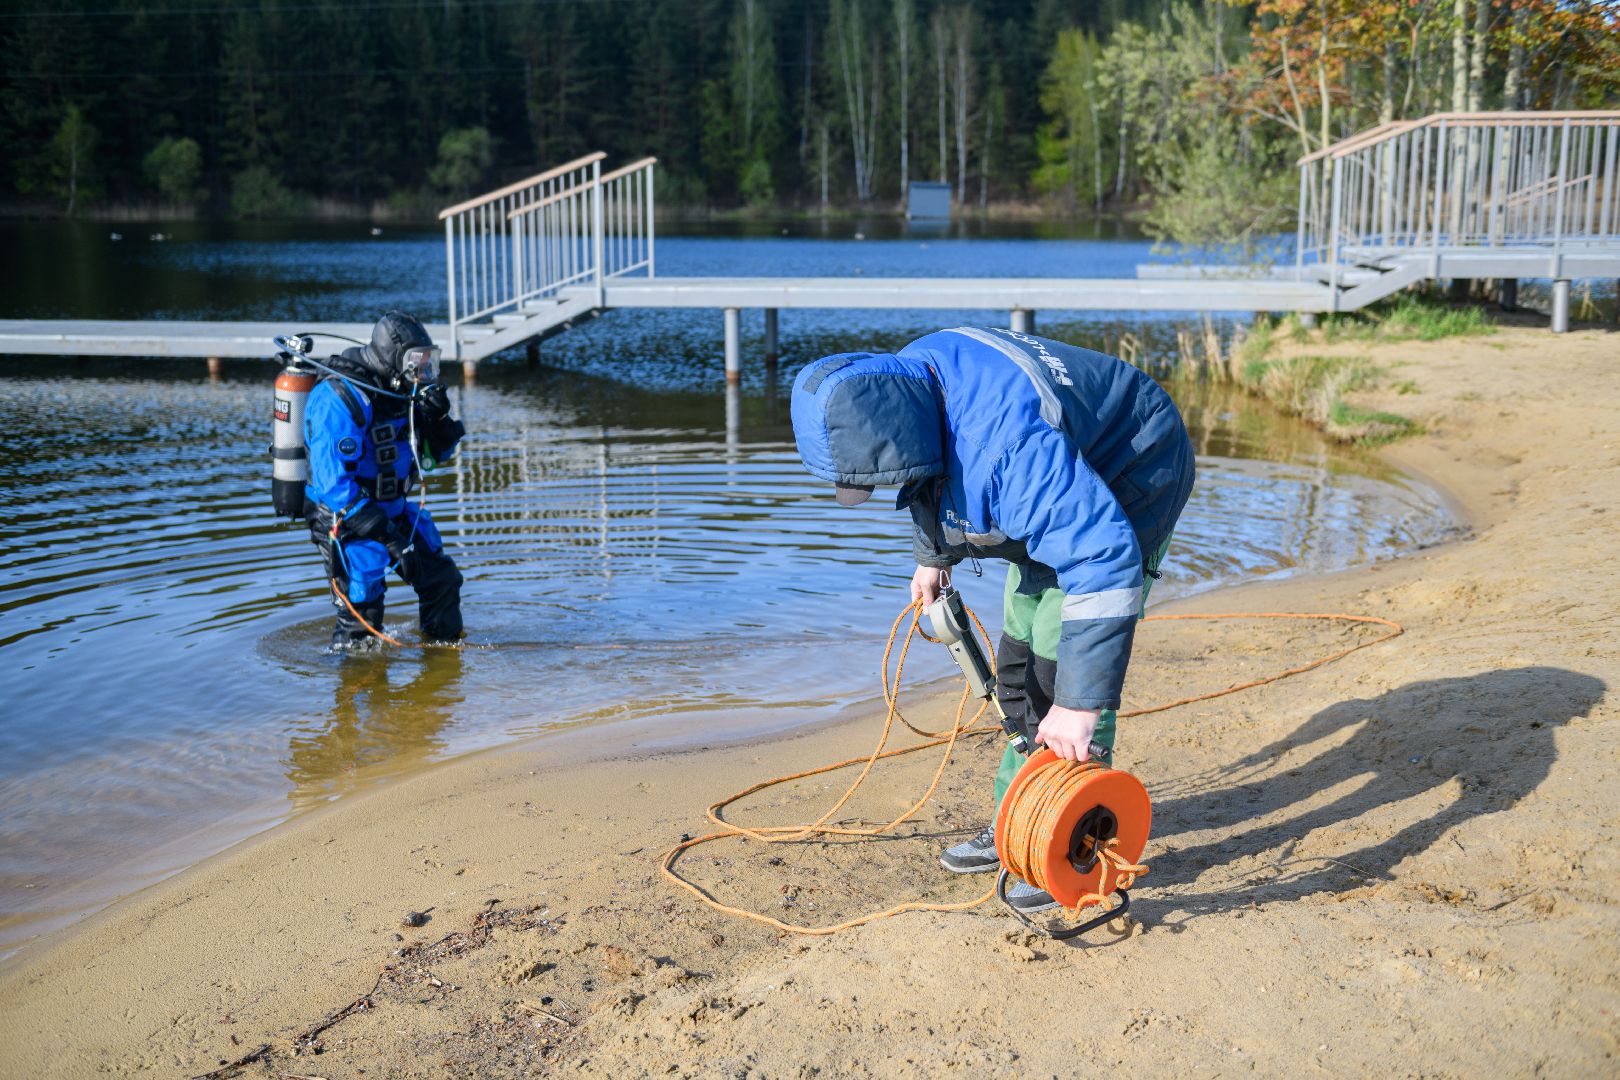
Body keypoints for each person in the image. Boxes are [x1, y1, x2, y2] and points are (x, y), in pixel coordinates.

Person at [790, 325, 1195, 913]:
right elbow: (928, 471)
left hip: (1132, 469)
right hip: (1059, 478)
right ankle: (1016, 823)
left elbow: (1101, 556)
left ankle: (1071, 834)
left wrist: (1081, 705)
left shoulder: (1010, 448)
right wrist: (933, 558)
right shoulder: (903, 384)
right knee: (1019, 666)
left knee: (1063, 678)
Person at [304, 311, 466, 651]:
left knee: (442, 580)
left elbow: (432, 458)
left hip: (394, 510)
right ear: (393, 359)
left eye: (426, 362)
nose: (421, 371)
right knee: (363, 613)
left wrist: (438, 420)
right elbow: (333, 487)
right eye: (415, 362)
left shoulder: (405, 394)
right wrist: (390, 540)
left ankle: (442, 671)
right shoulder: (339, 398)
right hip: (346, 520)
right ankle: (352, 690)